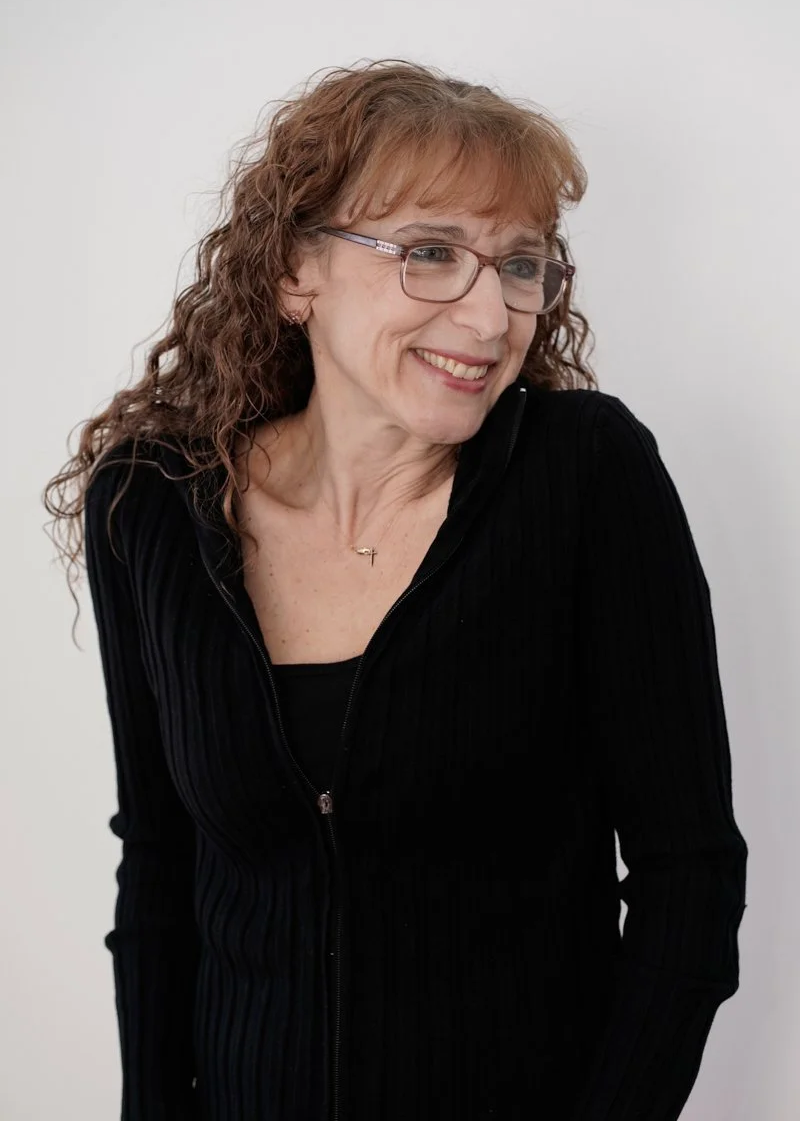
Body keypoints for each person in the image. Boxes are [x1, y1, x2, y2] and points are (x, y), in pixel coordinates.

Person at [44, 58, 748, 1121]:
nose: (486, 312)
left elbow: (685, 875)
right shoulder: (148, 509)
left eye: (520, 266)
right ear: (293, 273)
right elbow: (160, 870)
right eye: (429, 253)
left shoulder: (584, 479)